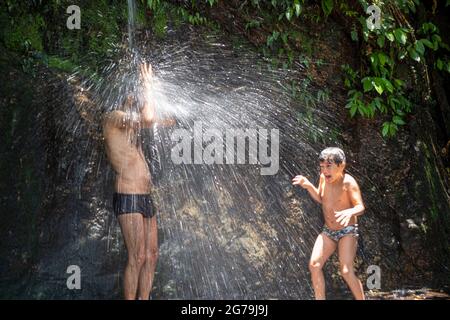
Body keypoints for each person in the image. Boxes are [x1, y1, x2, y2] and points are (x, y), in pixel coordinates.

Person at [102, 62, 173, 300]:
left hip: (145, 197)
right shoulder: (114, 118)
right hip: (128, 196)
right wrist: (148, 86)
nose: (135, 96)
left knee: (152, 255)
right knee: (137, 256)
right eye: (132, 93)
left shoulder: (132, 127)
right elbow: (149, 116)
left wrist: (158, 98)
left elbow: (162, 119)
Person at [292, 147, 366, 300]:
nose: (325, 171)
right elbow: (321, 198)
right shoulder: (323, 178)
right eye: (322, 167)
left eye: (329, 166)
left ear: (342, 165)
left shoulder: (348, 182)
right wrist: (308, 186)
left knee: (346, 271)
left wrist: (350, 212)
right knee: (314, 265)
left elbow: (360, 207)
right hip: (328, 231)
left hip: (347, 231)